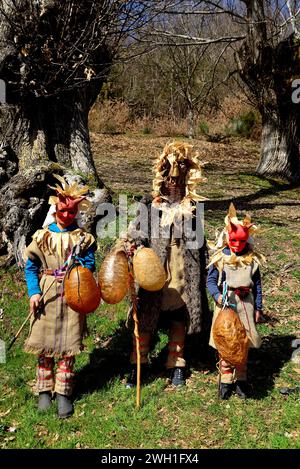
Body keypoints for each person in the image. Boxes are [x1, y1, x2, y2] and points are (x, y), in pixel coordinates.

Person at [125, 141, 210, 387]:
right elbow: (138, 234)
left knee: (179, 316)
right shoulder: (150, 206)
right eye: (170, 178)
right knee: (146, 315)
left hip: (183, 270)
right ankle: (138, 364)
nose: (174, 183)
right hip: (154, 270)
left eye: (179, 179)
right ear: (162, 177)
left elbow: (201, 245)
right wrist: (135, 248)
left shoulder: (194, 209)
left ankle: (177, 363)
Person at [24, 175, 96, 418]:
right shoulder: (42, 236)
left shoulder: (82, 238)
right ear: (56, 209)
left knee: (68, 346)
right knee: (44, 346)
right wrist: (34, 292)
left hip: (72, 296)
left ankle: (63, 392)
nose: (66, 216)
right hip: (46, 295)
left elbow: (89, 266)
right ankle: (44, 390)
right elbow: (31, 267)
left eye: (71, 211)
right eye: (63, 211)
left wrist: (82, 267)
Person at [207, 203, 265, 399]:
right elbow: (211, 280)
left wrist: (258, 307)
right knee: (226, 340)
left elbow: (257, 286)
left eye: (241, 241)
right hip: (226, 304)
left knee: (243, 341)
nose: (237, 245)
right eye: (234, 240)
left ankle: (241, 378)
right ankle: (225, 378)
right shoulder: (221, 258)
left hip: (246, 304)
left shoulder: (252, 260)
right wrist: (217, 295)